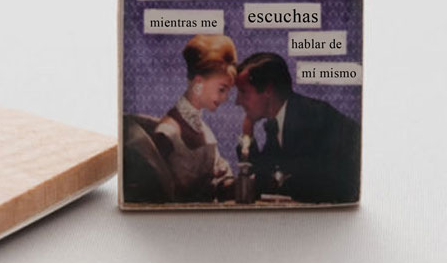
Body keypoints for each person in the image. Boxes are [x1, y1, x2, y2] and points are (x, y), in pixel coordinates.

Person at [235, 53, 360, 204]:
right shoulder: (276, 124)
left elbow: (297, 184)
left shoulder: (311, 117)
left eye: (243, 92)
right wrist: (247, 132)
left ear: (268, 90)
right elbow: (260, 179)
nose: (237, 101)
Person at [147, 34, 237, 202]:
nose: (225, 98)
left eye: (227, 91)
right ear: (198, 83)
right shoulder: (167, 133)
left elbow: (223, 180)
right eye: (221, 89)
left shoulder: (206, 132)